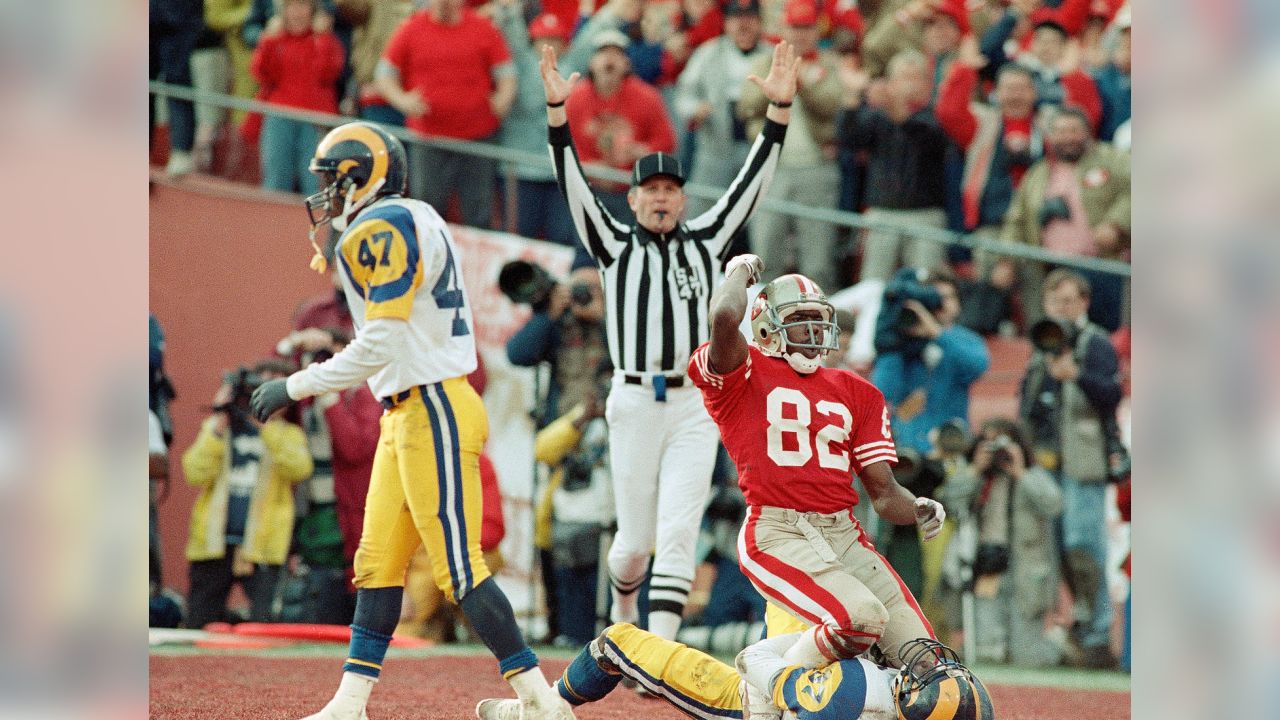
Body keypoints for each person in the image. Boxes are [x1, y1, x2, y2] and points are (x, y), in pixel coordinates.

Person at [248, 121, 574, 720]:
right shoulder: (412, 214)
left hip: (435, 406)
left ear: (362, 177)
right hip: (410, 409)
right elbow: (396, 333)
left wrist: (296, 382)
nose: (325, 194)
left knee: (458, 568)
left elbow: (382, 341)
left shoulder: (380, 227)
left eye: (332, 181)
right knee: (377, 561)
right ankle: (350, 703)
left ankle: (540, 701)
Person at [539, 40, 798, 643]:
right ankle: (624, 610)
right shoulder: (611, 240)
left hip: (694, 400)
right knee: (632, 543)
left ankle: (656, 652)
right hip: (631, 399)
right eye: (649, 189)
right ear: (631, 199)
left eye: (669, 190)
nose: (660, 197)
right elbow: (573, 183)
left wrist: (778, 115)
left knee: (680, 529)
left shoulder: (706, 239)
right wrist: (558, 117)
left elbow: (748, 187)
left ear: (682, 199)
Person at [687, 259, 947, 670]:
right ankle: (770, 680)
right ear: (766, 328)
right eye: (798, 319)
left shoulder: (858, 392)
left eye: (817, 319)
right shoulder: (744, 372)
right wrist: (739, 273)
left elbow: (884, 495)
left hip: (844, 533)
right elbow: (723, 316)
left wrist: (916, 507)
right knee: (860, 620)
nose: (812, 330)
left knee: (929, 664)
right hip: (777, 530)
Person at [476, 624, 993, 720]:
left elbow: (755, 660)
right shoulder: (886, 698)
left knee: (618, 642)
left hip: (746, 702)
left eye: (926, 676)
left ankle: (545, 706)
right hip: (791, 695)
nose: (923, 666)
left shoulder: (857, 690)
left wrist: (816, 643)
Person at [1018, 268, 1122, 669]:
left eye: (1069, 301)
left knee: (1084, 543)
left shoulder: (1095, 342)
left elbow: (1112, 394)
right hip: (1047, 460)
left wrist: (1076, 375)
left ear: (1085, 303)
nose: (1062, 309)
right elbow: (1026, 398)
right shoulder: (1041, 343)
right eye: (1055, 302)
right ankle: (1078, 623)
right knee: (1059, 546)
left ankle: (1097, 633)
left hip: (1084, 460)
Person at [182, 361, 313, 629]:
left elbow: (299, 468)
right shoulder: (219, 429)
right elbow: (194, 472)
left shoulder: (288, 434)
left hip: (263, 548)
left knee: (263, 627)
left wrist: (265, 424)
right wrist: (220, 419)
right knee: (198, 623)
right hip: (213, 545)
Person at [374, 0, 516, 228]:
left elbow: (506, 73)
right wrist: (403, 100)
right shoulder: (411, 28)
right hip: (428, 137)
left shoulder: (483, 28)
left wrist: (503, 98)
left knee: (478, 211)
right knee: (427, 209)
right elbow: (384, 73)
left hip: (477, 138)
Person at [737, 0, 844, 290]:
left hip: (816, 168)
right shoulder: (763, 62)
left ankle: (817, 322)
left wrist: (801, 83)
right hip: (773, 168)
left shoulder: (827, 63)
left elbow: (835, 106)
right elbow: (745, 106)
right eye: (795, 27)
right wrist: (776, 88)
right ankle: (760, 326)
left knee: (817, 261)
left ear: (816, 30)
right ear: (784, 28)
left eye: (807, 27)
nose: (800, 35)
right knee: (765, 253)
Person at [947, 417, 1065, 666]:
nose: (997, 452)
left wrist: (1021, 472)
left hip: (1026, 571)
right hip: (988, 567)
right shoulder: (978, 478)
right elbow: (950, 502)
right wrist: (974, 469)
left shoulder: (1030, 474)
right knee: (986, 653)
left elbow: (1054, 504)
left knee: (1027, 657)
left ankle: (1060, 647)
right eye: (989, 444)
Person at [999, 105, 1130, 329]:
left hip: (1101, 266)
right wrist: (1005, 259)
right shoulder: (1037, 173)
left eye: (1074, 130)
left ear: (1088, 132)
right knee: (1051, 335)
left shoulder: (1112, 159)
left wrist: (1115, 224)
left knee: (1101, 335)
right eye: (1060, 131)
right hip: (1049, 270)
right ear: (1050, 136)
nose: (1068, 138)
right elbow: (1015, 221)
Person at [837, 50, 951, 283]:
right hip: (883, 212)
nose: (908, 84)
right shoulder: (878, 116)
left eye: (914, 77)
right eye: (902, 77)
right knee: (873, 285)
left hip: (925, 215)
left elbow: (923, 136)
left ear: (927, 82)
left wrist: (893, 105)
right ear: (891, 82)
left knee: (923, 285)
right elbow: (849, 139)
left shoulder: (936, 115)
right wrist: (851, 95)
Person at [870, 267, 990, 455]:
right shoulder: (903, 342)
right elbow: (883, 391)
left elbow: (977, 367)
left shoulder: (966, 339)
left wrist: (936, 333)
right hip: (907, 447)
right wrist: (891, 345)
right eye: (933, 296)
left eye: (948, 297)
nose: (940, 303)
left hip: (950, 445)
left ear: (958, 303)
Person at [674, 0, 771, 219]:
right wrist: (695, 108)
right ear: (727, 22)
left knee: (759, 221)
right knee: (701, 216)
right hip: (715, 148)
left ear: (759, 22)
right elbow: (683, 95)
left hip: (758, 150)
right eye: (737, 19)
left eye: (750, 19)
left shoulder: (772, 54)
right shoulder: (709, 52)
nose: (743, 25)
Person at [250, 0, 346, 195]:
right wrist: (268, 39)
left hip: (314, 118)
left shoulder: (324, 40)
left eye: (303, 6)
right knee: (276, 176)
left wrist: (323, 38)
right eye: (291, 6)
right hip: (279, 113)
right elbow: (261, 73)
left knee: (314, 181)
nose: (297, 13)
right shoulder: (276, 38)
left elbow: (329, 73)